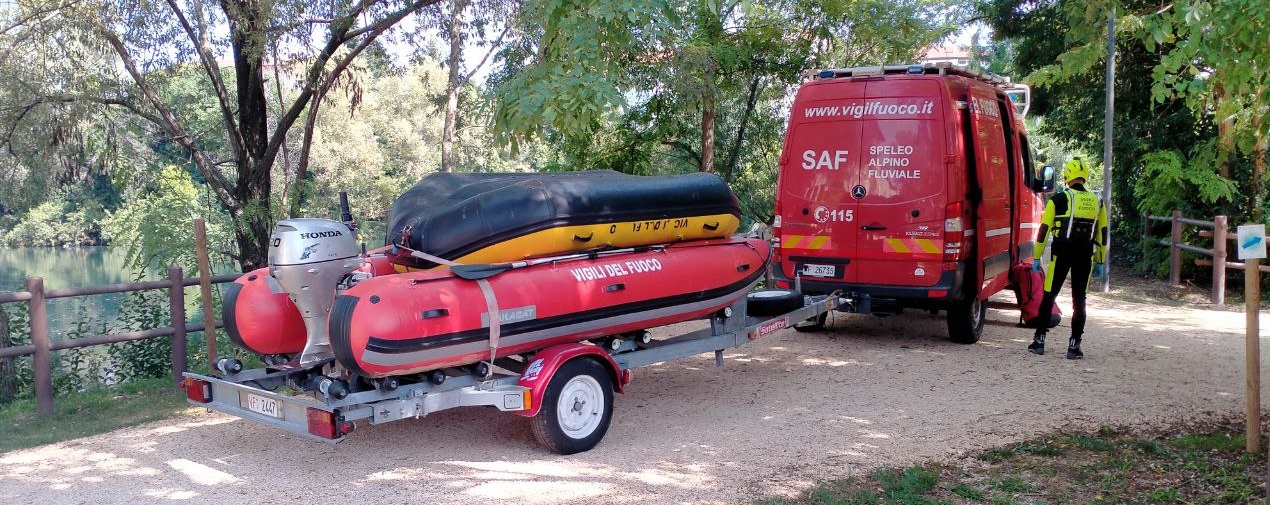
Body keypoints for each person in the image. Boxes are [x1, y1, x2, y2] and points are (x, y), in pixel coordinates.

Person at [1028, 159, 1109, 359]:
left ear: (1067, 177)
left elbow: (1044, 230)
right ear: (1085, 177)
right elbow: (1103, 233)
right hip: (1085, 256)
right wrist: (1100, 259)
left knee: (1049, 295)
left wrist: (1037, 256)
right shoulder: (1098, 202)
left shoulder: (1058, 199)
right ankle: (1074, 346)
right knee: (1080, 300)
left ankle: (1039, 341)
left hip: (1061, 253)